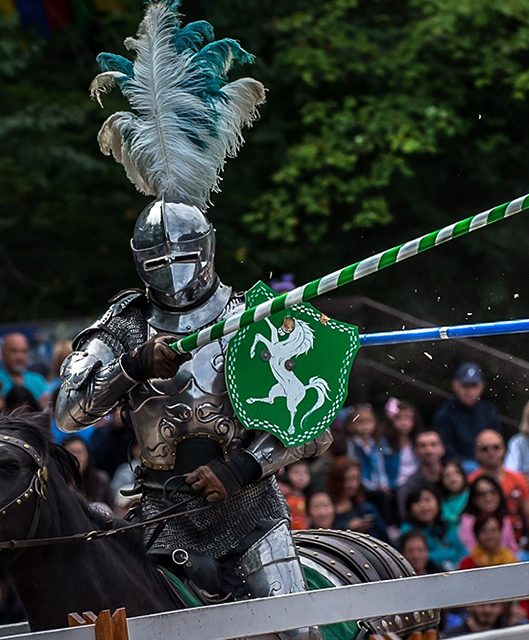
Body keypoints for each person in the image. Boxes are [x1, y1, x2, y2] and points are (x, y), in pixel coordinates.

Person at [53, 8, 325, 637]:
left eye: (183, 254)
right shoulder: (124, 323)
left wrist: (240, 468)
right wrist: (129, 367)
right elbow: (67, 413)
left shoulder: (250, 317)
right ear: (139, 261)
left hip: (252, 516)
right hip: (159, 523)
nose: (173, 269)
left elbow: (311, 422)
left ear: (208, 249)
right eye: (159, 258)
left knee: (297, 634)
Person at [469, 430, 529, 542]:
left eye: (496, 447)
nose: (491, 452)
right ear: (476, 453)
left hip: (517, 541)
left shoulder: (519, 479)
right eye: (485, 449)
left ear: (504, 450)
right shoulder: (471, 482)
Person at [433, 362, 501, 463]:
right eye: (465, 385)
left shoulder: (489, 410)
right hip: (458, 466)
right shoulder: (445, 413)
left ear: (482, 386)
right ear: (455, 385)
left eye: (474, 386)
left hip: (487, 463)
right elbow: (447, 450)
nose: (469, 391)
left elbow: (497, 442)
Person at [399, 484, 466, 570]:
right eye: (418, 502)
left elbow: (463, 551)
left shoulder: (446, 525)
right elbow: (419, 558)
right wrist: (451, 553)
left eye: (428, 500)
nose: (424, 507)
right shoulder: (407, 530)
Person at [327, 457, 388, 541]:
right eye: (348, 479)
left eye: (356, 479)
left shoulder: (366, 509)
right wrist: (347, 528)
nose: (353, 485)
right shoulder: (327, 511)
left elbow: (384, 538)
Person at [458, 475, 518, 553]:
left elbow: (513, 550)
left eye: (493, 492)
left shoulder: (504, 519)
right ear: (474, 499)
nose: (489, 498)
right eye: (482, 494)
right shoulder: (467, 523)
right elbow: (471, 554)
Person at [395, 430, 445, 520]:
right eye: (423, 446)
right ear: (415, 451)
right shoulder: (408, 488)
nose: (429, 451)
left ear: (442, 448)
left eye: (433, 444)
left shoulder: (453, 480)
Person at [62, 435, 114, 510]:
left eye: (79, 452)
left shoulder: (100, 480)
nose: (76, 457)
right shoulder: (58, 481)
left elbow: (111, 510)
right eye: (71, 452)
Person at [0, 333, 49, 409]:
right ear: (3, 353)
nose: (20, 356)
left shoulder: (38, 380)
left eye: (24, 351)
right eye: (14, 351)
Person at [384, 397, 421, 487]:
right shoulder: (384, 442)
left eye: (408, 418)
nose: (404, 423)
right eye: (399, 418)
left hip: (416, 485)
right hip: (394, 486)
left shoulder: (418, 441)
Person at [281, 460, 312, 530]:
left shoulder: (310, 497)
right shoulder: (283, 497)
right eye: (296, 472)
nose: (301, 477)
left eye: (305, 473)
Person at [440, 460, 469, 527]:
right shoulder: (441, 502)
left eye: (457, 473)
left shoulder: (472, 496)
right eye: (447, 476)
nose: (453, 479)